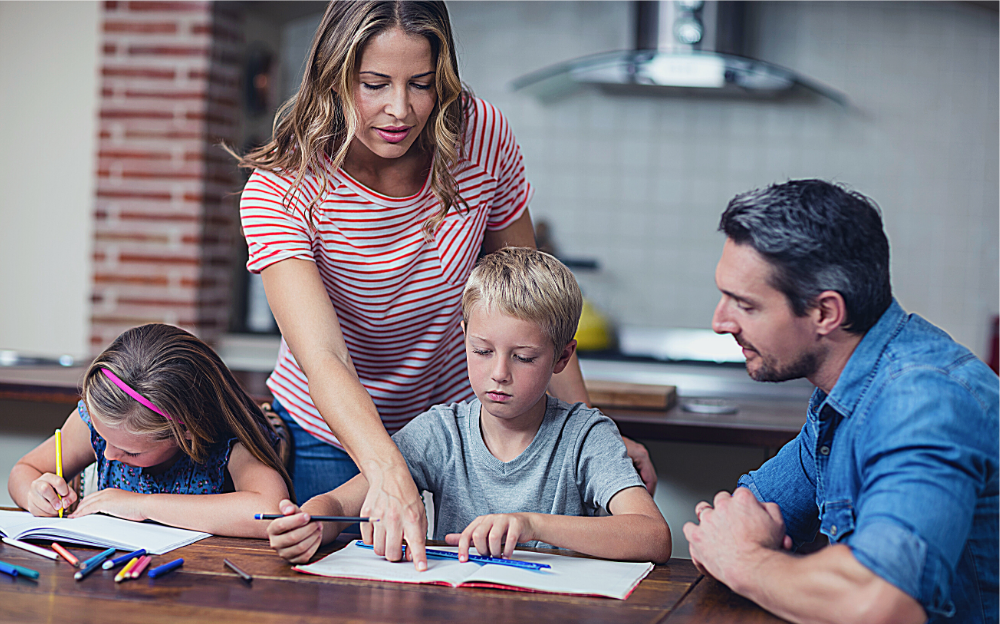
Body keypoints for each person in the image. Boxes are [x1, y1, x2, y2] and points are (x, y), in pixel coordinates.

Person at [234, 0, 655, 570]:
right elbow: (325, 356)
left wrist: (586, 434)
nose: (399, 109)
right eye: (374, 84)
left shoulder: (481, 137)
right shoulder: (284, 187)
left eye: (422, 84)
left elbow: (534, 305)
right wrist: (387, 470)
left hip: (463, 437)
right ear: (333, 78)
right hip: (330, 438)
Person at [684, 180, 998, 624]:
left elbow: (880, 604)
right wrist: (737, 550)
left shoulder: (923, 402)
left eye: (744, 304)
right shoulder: (843, 393)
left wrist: (746, 561)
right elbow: (732, 521)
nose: (720, 321)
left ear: (826, 312)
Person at [265, 248, 671, 565]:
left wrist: (531, 525)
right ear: (463, 336)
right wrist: (312, 520)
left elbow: (653, 537)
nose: (499, 373)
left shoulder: (586, 436)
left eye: (524, 357)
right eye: (481, 350)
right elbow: (341, 502)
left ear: (562, 358)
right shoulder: (440, 432)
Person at [8, 323, 294, 539]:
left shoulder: (231, 440)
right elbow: (25, 469)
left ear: (187, 432)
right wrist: (34, 493)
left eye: (132, 451)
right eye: (102, 438)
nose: (107, 453)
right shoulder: (98, 423)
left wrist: (143, 505)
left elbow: (269, 511)